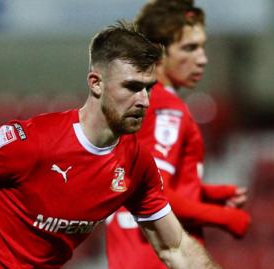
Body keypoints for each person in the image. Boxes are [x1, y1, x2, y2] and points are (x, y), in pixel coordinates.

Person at [0, 22, 220, 269]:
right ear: (95, 83)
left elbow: (175, 247)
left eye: (149, 88)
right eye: (131, 87)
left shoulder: (135, 163)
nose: (144, 100)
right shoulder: (32, 141)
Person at [105, 2, 251, 268]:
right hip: (158, 254)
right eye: (189, 48)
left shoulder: (137, 102)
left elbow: (137, 178)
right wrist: (224, 217)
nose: (202, 59)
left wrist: (208, 193)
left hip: (130, 249)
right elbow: (156, 193)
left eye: (202, 47)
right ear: (159, 54)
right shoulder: (166, 109)